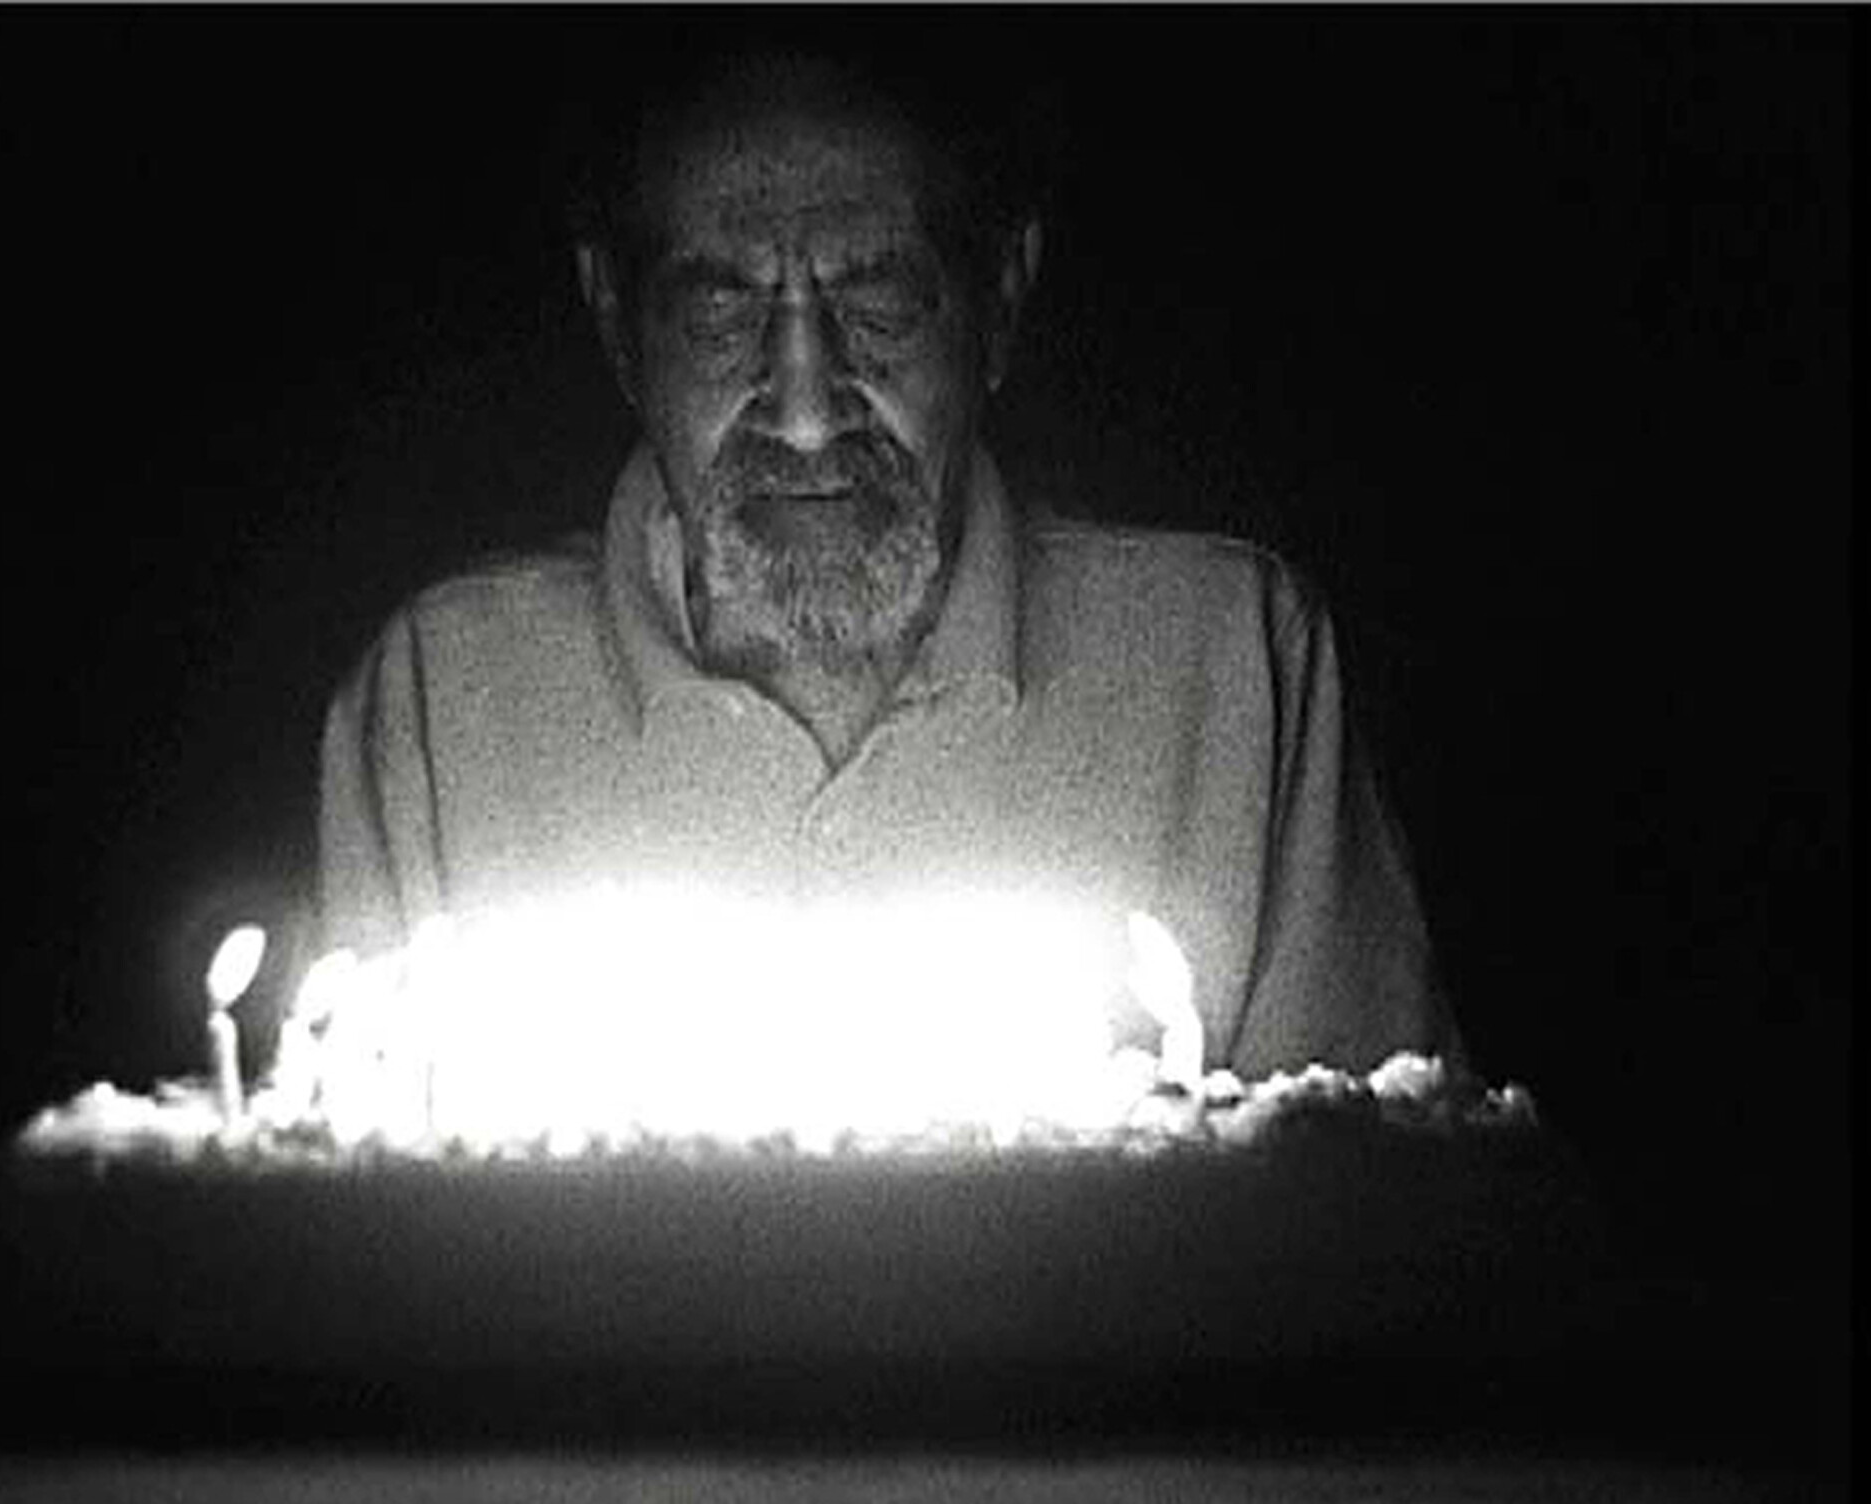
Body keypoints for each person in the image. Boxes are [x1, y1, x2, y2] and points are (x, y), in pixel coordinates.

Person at [316, 43, 1461, 1076]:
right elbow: (369, 1268)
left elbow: (1373, 1225)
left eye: (879, 303)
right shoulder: (443, 700)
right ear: (616, 324)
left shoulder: (1228, 665)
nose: (806, 409)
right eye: (722, 317)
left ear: (998, 299)